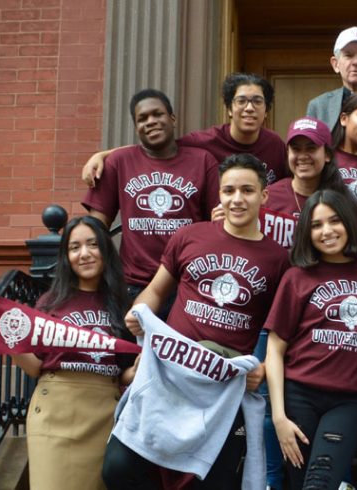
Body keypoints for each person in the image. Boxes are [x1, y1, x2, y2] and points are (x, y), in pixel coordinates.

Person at [102, 153, 291, 490]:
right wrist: (138, 311)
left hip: (222, 389)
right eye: (229, 190)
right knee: (119, 467)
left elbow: (279, 332)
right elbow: (156, 291)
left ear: (263, 196)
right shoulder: (190, 236)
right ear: (219, 194)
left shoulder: (278, 259)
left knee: (209, 481)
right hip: (170, 375)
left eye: (247, 190)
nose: (237, 199)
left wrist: (259, 366)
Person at [0, 215, 136, 490]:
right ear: (66, 256)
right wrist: (4, 335)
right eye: (74, 248)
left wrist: (141, 366)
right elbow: (34, 367)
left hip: (103, 416)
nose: (84, 254)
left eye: (92, 245)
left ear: (105, 250)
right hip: (55, 415)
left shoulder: (122, 304)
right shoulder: (50, 302)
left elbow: (123, 373)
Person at [264, 189, 357, 490]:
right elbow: (274, 346)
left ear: (349, 222)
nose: (327, 231)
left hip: (349, 400)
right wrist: (279, 417)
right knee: (299, 483)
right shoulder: (297, 277)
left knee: (320, 481)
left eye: (334, 221)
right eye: (317, 225)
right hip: (299, 396)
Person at [81, 88, 218, 310]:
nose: (151, 122)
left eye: (157, 114)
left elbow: (217, 225)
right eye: (142, 119)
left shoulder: (203, 161)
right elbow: (95, 228)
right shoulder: (119, 162)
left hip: (187, 284)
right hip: (134, 285)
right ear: (136, 128)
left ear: (172, 119)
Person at [83, 73, 288, 187]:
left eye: (257, 102)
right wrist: (104, 155)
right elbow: (157, 149)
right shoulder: (203, 141)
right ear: (229, 109)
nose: (249, 108)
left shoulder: (275, 145)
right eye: (241, 101)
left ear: (266, 111)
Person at [259, 116, 349, 248]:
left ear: (327, 155)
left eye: (311, 148)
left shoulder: (342, 199)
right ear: (288, 152)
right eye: (296, 149)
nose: (302, 156)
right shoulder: (268, 196)